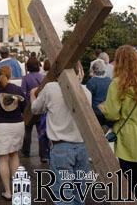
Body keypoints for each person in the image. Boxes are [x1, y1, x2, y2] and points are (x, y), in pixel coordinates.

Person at [31, 65, 92, 205]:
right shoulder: (86, 91)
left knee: (63, 194)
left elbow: (35, 109)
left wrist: (32, 95)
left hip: (61, 147)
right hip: (83, 146)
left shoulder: (51, 88)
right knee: (79, 191)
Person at [99, 45, 137, 190]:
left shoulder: (117, 84)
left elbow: (113, 113)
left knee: (134, 185)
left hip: (128, 139)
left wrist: (104, 108)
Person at [0, 66, 26, 200]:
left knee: (3, 159)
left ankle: (8, 192)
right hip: (17, 124)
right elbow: (24, 106)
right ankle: (17, 189)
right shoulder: (17, 89)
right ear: (10, 75)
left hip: (0, 126)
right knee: (14, 156)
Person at [21, 58, 48, 162]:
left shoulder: (25, 78)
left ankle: (26, 151)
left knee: (27, 130)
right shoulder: (43, 77)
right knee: (41, 131)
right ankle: (43, 154)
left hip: (29, 107)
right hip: (41, 107)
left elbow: (23, 92)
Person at [86, 59, 111, 126]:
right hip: (107, 110)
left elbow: (87, 98)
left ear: (94, 69)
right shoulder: (109, 80)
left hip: (96, 112)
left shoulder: (91, 82)